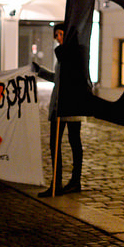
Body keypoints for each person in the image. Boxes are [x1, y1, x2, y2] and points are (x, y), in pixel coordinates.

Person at [34, 23, 84, 197]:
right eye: (56, 36)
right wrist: (40, 71)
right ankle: (57, 182)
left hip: (72, 105)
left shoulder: (74, 52)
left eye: (61, 34)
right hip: (58, 105)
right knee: (54, 144)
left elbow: (76, 78)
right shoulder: (63, 54)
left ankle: (75, 181)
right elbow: (58, 79)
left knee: (74, 142)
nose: (58, 38)